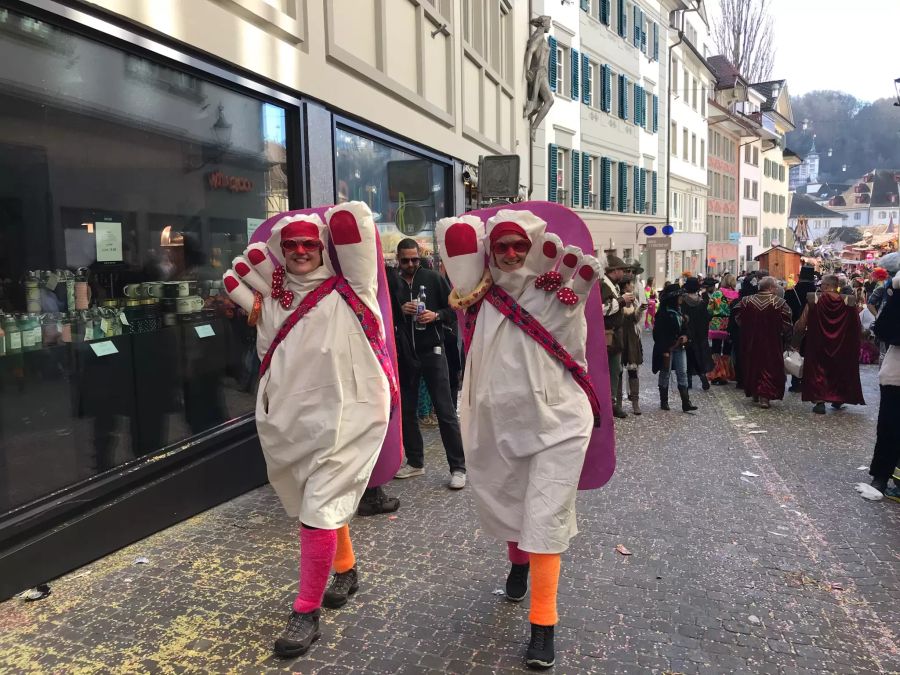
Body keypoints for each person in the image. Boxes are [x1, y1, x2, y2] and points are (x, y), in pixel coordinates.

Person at [222, 204, 397, 658]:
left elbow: (356, 226)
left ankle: (306, 611)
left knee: (316, 509)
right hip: (293, 421)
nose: (300, 252)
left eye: (309, 244)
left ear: (322, 248)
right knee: (313, 498)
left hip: (349, 419)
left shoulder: (354, 290)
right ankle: (347, 568)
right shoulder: (275, 297)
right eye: (291, 245)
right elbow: (270, 352)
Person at [436, 209, 607, 670]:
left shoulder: (557, 288)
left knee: (546, 521)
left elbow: (577, 349)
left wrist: (569, 318)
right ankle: (517, 564)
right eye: (502, 247)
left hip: (558, 423)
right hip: (498, 423)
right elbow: (455, 247)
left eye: (519, 246)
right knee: (512, 501)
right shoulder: (476, 297)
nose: (511, 254)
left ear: (532, 247)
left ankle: (543, 625)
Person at [390, 238, 466, 488]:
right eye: (405, 260)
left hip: (433, 350)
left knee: (445, 411)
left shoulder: (433, 278)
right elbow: (385, 313)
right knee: (408, 411)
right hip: (405, 354)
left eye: (415, 259)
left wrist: (436, 315)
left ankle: (458, 467)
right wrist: (401, 310)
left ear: (420, 257)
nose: (411, 264)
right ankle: (415, 461)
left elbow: (454, 310)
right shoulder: (393, 282)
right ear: (398, 259)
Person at [794, 274, 865, 414]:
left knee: (818, 371)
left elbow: (801, 324)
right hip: (841, 345)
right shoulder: (848, 301)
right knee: (838, 369)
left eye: (822, 285)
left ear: (826, 286)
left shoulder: (814, 299)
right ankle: (838, 398)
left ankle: (820, 402)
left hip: (817, 343)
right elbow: (857, 326)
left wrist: (795, 341)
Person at [732, 276, 792, 409]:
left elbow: (737, 315)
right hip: (771, 342)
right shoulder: (779, 302)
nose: (776, 289)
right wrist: (784, 336)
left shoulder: (746, 300)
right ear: (770, 288)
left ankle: (755, 391)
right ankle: (764, 396)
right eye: (775, 286)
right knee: (769, 367)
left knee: (752, 365)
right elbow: (787, 322)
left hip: (750, 341)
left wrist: (747, 328)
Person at [869, 271, 900, 499]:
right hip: (895, 373)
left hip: (896, 373)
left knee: (890, 426)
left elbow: (883, 330)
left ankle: (882, 475)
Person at [652, 284, 696, 412]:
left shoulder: (680, 311)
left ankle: (686, 402)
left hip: (680, 347)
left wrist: (686, 336)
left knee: (682, 372)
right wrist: (665, 350)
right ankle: (664, 402)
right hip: (667, 348)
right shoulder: (663, 313)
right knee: (665, 373)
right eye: (679, 296)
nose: (682, 298)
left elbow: (686, 329)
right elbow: (658, 334)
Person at [602, 255, 632, 419]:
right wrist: (621, 301)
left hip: (614, 335)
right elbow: (602, 309)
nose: (624, 272)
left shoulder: (611, 285)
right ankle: (610, 403)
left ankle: (611, 401)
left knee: (616, 369)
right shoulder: (603, 285)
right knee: (612, 369)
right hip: (608, 335)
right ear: (614, 271)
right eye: (622, 269)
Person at [784, 266, 817, 392]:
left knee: (795, 353)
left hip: (795, 326)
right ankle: (808, 382)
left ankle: (795, 382)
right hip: (813, 328)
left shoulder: (791, 292)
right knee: (810, 354)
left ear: (800, 276)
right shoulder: (816, 293)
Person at [681, 277, 714, 391]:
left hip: (688, 332)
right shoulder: (701, 302)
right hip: (700, 333)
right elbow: (707, 318)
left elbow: (682, 317)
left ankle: (688, 381)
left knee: (688, 356)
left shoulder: (683, 301)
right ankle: (702, 376)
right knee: (699, 356)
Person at [707, 273, 738, 384]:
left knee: (715, 348)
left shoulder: (717, 294)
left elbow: (709, 309)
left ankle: (716, 373)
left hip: (716, 323)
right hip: (730, 325)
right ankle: (726, 373)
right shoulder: (736, 295)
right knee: (727, 349)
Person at [620, 277, 645, 415]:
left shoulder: (634, 301)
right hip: (620, 336)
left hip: (632, 339)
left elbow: (635, 319)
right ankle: (617, 403)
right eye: (629, 284)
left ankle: (635, 402)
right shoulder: (618, 300)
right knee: (617, 371)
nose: (632, 286)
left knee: (633, 372)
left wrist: (640, 310)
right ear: (625, 287)